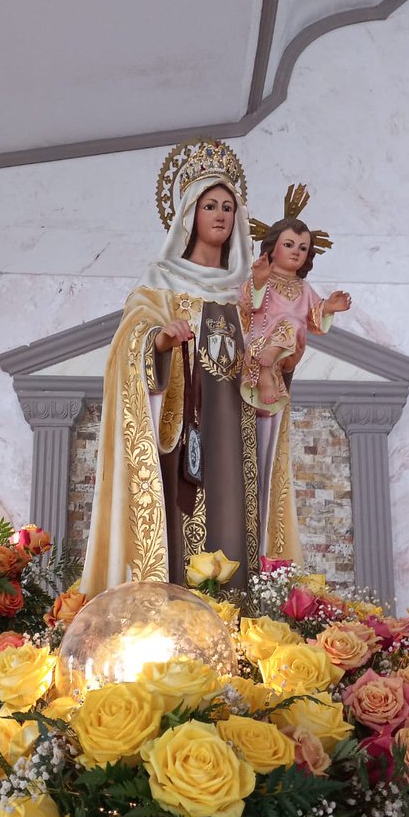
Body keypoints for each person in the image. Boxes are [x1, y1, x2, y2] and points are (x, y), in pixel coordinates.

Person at [81, 141, 303, 596]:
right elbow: (128, 346)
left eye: (227, 206)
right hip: (181, 437)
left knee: (236, 522)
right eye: (209, 206)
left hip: (236, 434)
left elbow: (268, 363)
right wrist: (159, 343)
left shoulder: (250, 291)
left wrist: (284, 362)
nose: (220, 215)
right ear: (188, 215)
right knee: (183, 527)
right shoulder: (161, 280)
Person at [240, 217, 351, 415]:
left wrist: (328, 308)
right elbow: (245, 306)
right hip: (259, 344)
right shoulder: (262, 278)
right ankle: (266, 374)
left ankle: (271, 366)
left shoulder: (304, 288)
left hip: (290, 351)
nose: (296, 252)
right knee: (291, 321)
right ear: (273, 247)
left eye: (302, 248)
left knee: (293, 322)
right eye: (289, 245)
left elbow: (314, 318)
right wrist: (258, 282)